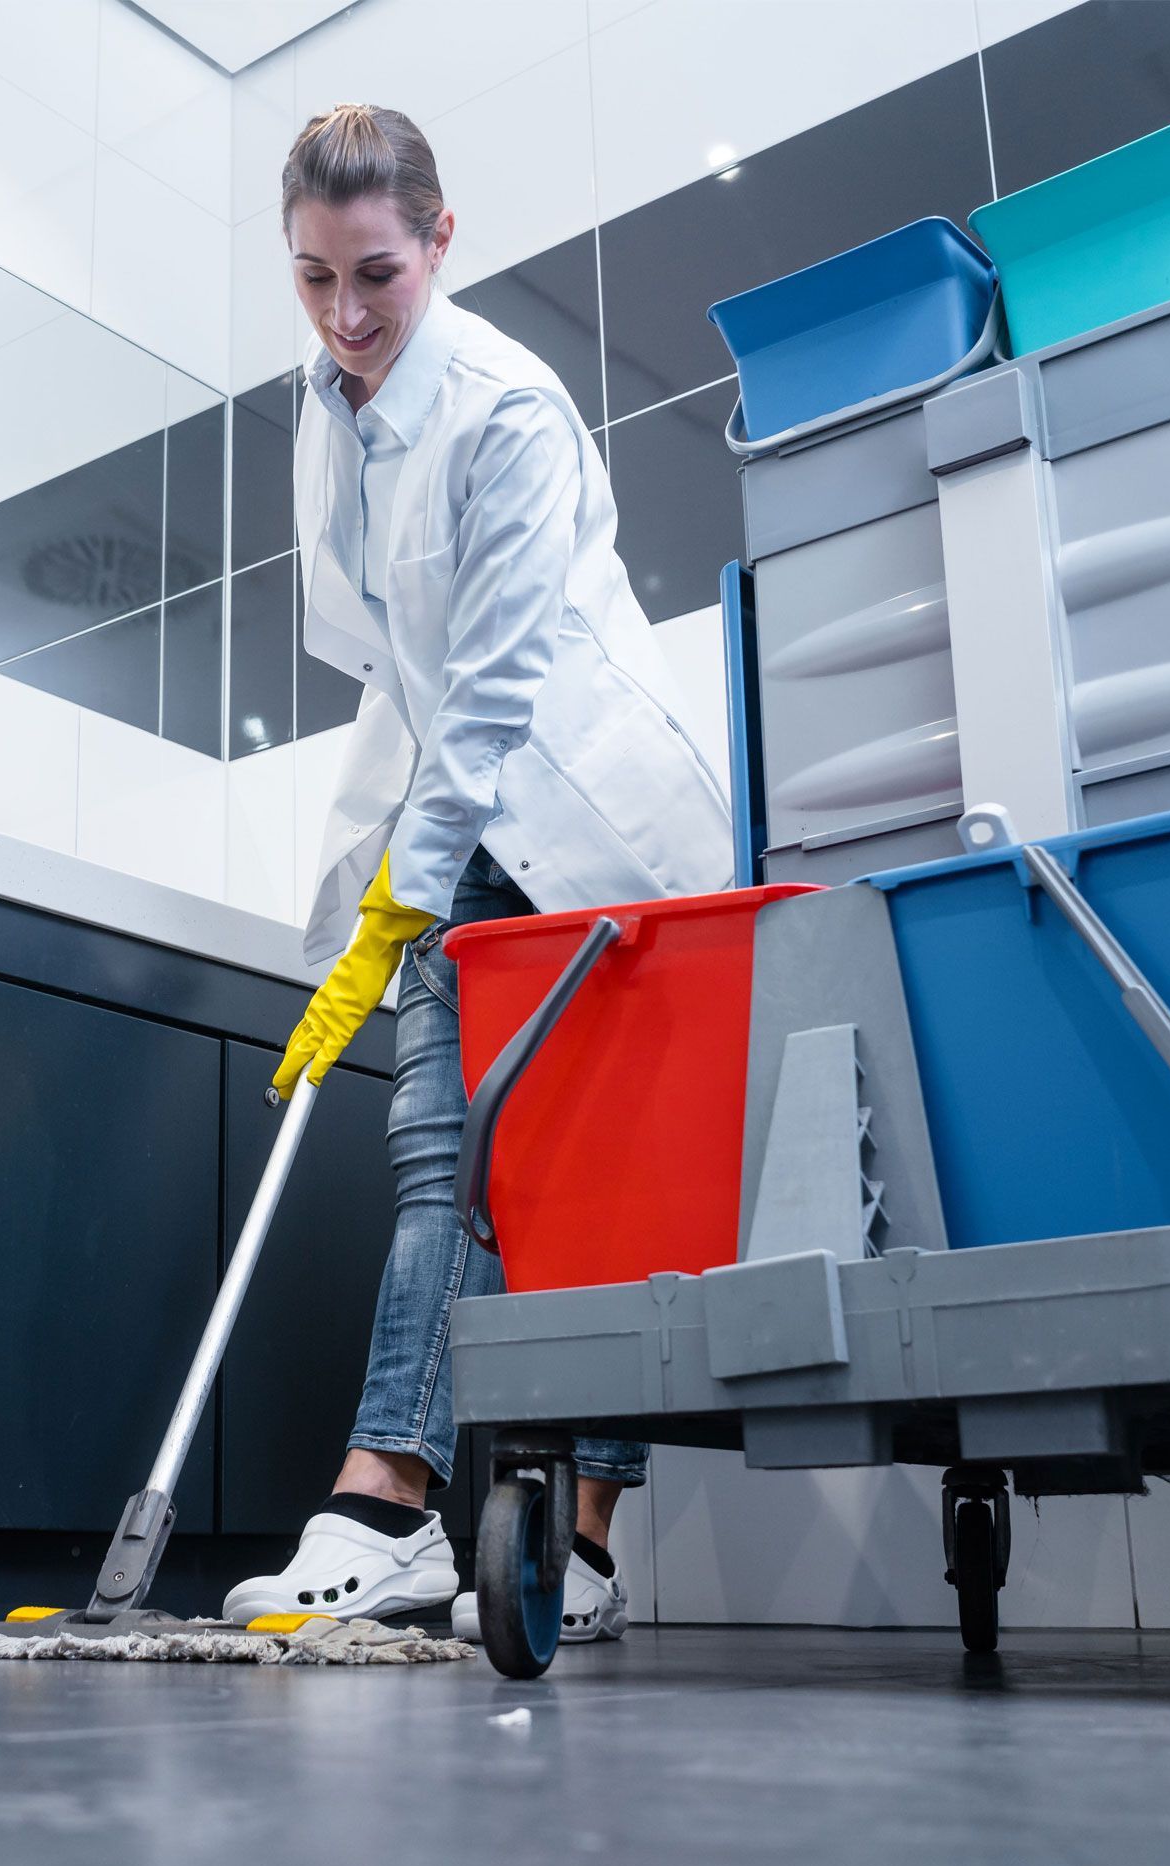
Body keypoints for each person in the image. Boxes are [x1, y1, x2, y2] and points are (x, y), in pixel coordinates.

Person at [224, 104, 732, 1644]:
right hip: (453, 814)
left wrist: (408, 887)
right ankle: (392, 1510)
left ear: (439, 241)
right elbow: (393, 667)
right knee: (440, 1158)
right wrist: (363, 906)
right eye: (312, 278)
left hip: (585, 833)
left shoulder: (504, 408)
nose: (347, 314)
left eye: (374, 272)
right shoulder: (330, 405)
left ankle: (577, 1545)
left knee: (604, 1191)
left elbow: (499, 689)